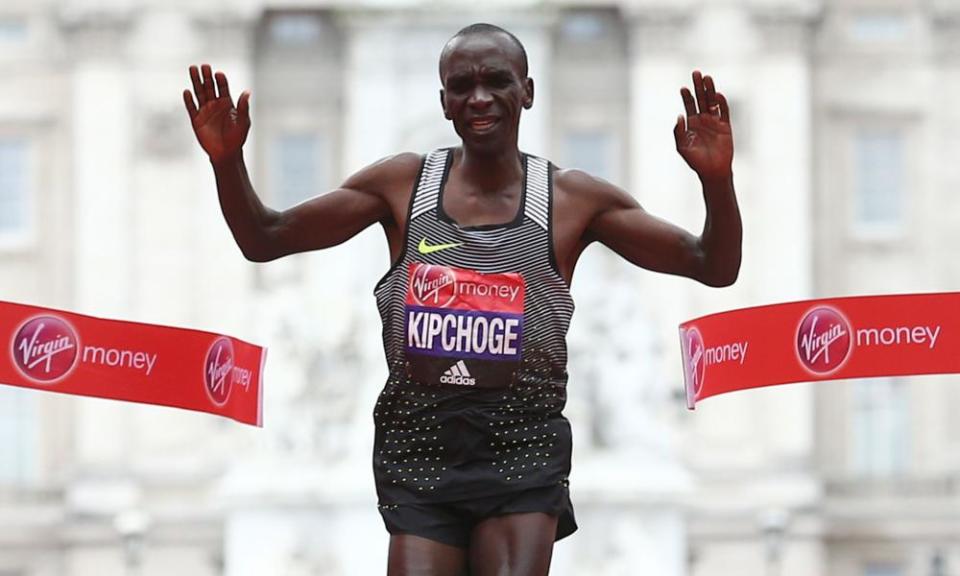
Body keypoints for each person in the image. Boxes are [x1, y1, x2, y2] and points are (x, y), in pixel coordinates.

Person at [183, 22, 741, 576]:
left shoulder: (573, 200)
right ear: (443, 101)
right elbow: (266, 238)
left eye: (497, 80)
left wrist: (717, 181)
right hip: (422, 456)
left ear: (527, 90)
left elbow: (712, 265)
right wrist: (228, 163)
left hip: (521, 452)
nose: (480, 98)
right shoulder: (402, 185)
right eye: (461, 85)